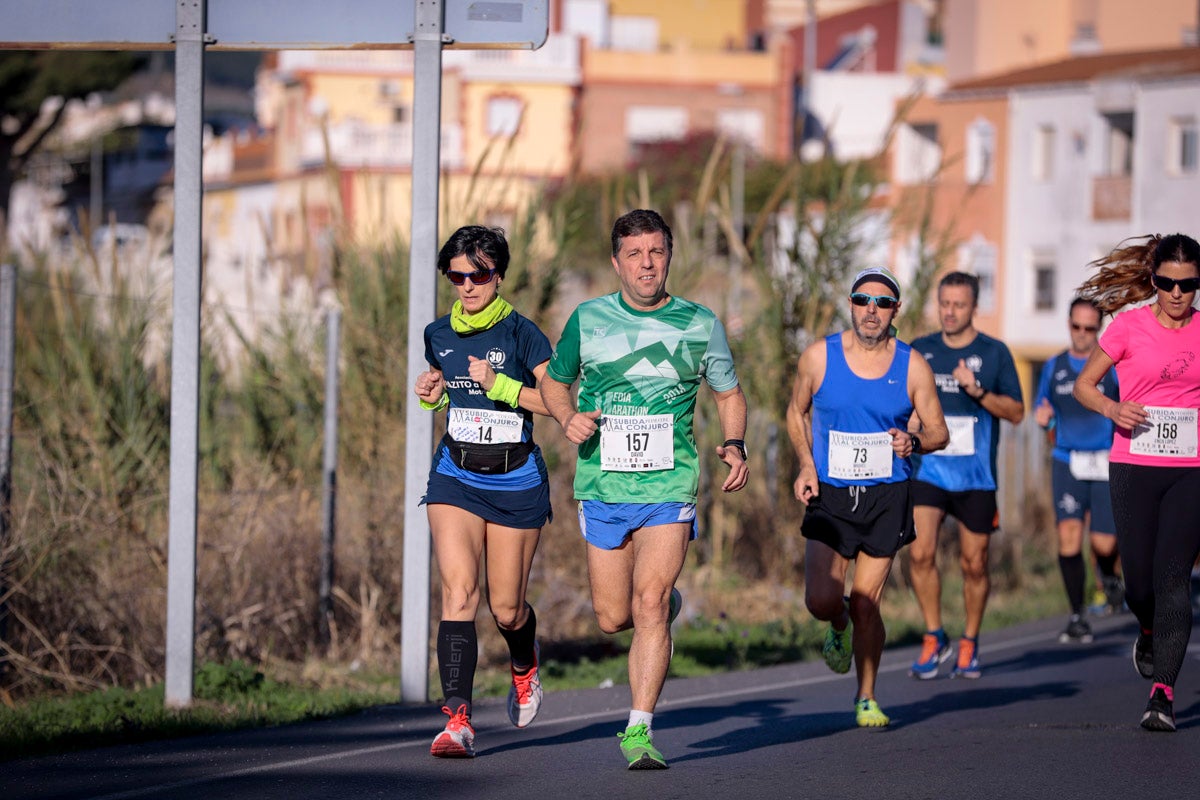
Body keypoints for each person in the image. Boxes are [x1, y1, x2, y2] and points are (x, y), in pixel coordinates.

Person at [540, 209, 749, 769]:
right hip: (603, 486)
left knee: (649, 603)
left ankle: (638, 729)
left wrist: (735, 444)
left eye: (655, 251)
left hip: (670, 485)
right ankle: (663, 607)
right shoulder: (588, 319)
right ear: (616, 262)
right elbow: (554, 383)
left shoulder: (700, 323)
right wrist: (566, 419)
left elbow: (729, 395)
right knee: (613, 616)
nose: (646, 263)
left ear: (669, 255)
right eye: (634, 254)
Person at [413, 225, 553, 758]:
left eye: (480, 275)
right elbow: (445, 386)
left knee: (507, 609)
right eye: (457, 275)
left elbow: (559, 402)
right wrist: (431, 392)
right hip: (457, 474)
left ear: (499, 274)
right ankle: (457, 721)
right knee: (458, 593)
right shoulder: (437, 333)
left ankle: (524, 662)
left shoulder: (522, 335)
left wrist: (503, 387)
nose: (468, 286)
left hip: (516, 479)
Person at [788, 267, 948, 728]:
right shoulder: (819, 357)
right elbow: (795, 412)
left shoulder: (912, 365)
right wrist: (805, 464)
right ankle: (836, 627)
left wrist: (913, 443)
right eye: (862, 300)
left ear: (896, 309)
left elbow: (938, 430)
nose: (871, 310)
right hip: (831, 492)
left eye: (881, 302)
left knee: (865, 601)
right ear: (851, 304)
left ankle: (866, 695)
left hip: (886, 494)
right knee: (822, 600)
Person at [1074, 233, 1200, 732]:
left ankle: (1163, 693)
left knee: (1174, 581)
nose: (1175, 293)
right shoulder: (1127, 328)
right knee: (1139, 584)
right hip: (1134, 464)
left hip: (1190, 472)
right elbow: (1085, 385)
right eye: (1166, 282)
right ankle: (1147, 631)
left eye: (1187, 285)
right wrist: (1112, 407)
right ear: (1153, 280)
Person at [906, 271, 1025, 680]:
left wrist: (977, 393)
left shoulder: (994, 353)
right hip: (928, 468)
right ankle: (933, 634)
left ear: (975, 307)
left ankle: (970, 640)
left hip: (975, 476)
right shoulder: (920, 350)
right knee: (920, 553)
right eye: (944, 304)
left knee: (974, 563)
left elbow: (1016, 412)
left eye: (959, 304)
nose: (950, 312)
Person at [1033, 298, 1124, 643]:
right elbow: (1044, 407)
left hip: (1105, 460)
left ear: (1098, 330)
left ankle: (1109, 574)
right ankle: (1076, 615)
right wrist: (1044, 419)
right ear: (1069, 324)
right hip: (1067, 459)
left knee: (1103, 543)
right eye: (1077, 327)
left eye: (1090, 328)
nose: (1083, 334)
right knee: (1069, 537)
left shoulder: (1111, 367)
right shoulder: (1054, 366)